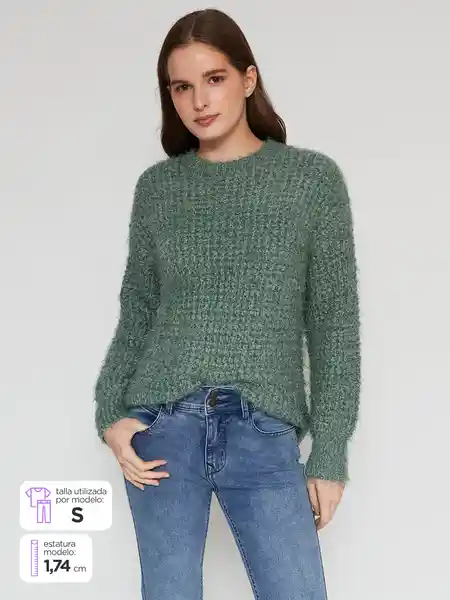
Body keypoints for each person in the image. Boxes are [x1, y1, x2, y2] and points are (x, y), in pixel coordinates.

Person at [93, 8, 361, 600]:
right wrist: (111, 415)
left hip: (262, 430)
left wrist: (330, 454)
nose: (199, 101)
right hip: (163, 430)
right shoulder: (159, 189)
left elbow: (334, 325)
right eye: (181, 87)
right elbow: (138, 312)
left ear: (247, 78)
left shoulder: (311, 182)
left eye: (214, 79)